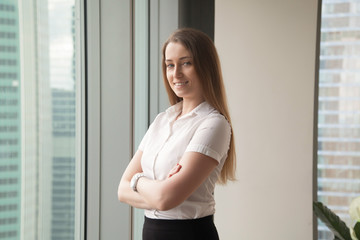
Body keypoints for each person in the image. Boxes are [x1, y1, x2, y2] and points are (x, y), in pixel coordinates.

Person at [118, 28, 236, 240]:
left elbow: (165, 199)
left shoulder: (214, 124)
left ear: (205, 66)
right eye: (170, 65)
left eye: (186, 63)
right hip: (151, 232)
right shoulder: (162, 120)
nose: (176, 73)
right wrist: (157, 192)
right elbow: (122, 190)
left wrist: (137, 180)